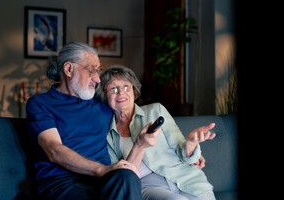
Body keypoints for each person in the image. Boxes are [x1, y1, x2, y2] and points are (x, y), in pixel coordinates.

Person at [26, 42, 142, 200]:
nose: (98, 79)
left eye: (98, 71)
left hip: (102, 181)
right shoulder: (40, 104)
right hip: (61, 183)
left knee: (125, 176)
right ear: (69, 69)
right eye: (92, 70)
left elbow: (128, 109)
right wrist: (101, 169)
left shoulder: (103, 106)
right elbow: (54, 149)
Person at [95, 65, 216, 200]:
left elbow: (183, 152)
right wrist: (139, 145)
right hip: (149, 185)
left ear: (133, 92)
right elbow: (121, 178)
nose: (121, 92)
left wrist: (191, 142)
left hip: (185, 177)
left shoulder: (155, 110)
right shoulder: (107, 134)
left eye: (125, 87)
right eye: (113, 88)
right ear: (104, 96)